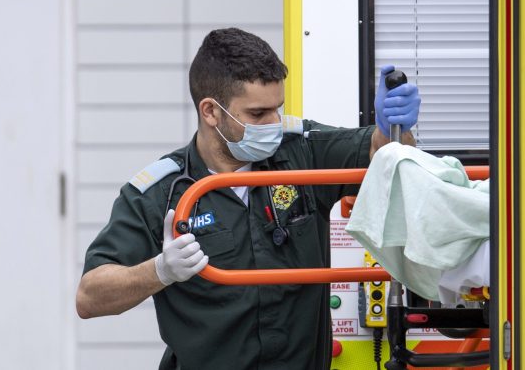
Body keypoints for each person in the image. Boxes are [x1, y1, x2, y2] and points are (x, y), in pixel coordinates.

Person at [76, 27, 421, 370]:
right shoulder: (161, 194)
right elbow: (90, 297)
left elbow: (386, 157)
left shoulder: (301, 152)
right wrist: (161, 270)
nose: (274, 122)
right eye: (258, 114)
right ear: (210, 112)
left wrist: (395, 129)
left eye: (277, 108)